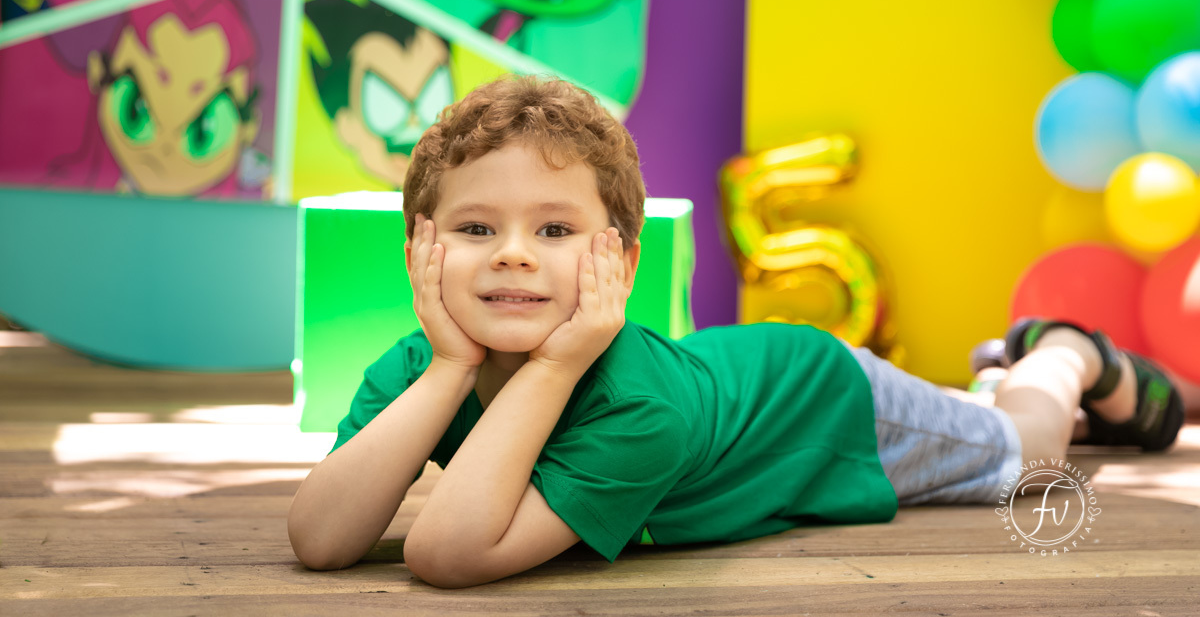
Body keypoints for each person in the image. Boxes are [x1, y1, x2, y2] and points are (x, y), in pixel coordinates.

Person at [286, 75, 1185, 588]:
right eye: (477, 228)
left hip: (826, 402)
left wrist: (554, 368)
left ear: (620, 263)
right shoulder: (418, 367)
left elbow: (447, 554)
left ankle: (1065, 352)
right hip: (730, 377)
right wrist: (449, 368)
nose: (513, 254)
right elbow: (321, 540)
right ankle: (1002, 378)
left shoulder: (638, 408)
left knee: (1026, 453)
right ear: (421, 249)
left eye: (554, 230)